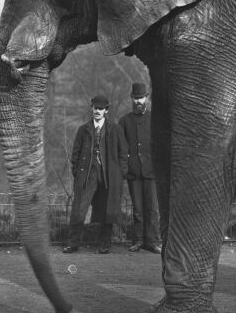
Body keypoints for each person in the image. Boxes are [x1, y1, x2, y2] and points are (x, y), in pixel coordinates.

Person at [63, 95, 128, 255]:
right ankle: (73, 243)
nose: (97, 111)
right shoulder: (83, 130)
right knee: (79, 209)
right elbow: (75, 155)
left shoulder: (115, 129)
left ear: (106, 110)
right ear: (91, 109)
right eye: (95, 108)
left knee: (108, 210)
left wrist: (119, 174)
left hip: (109, 177)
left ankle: (105, 244)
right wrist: (78, 174)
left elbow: (123, 154)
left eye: (101, 109)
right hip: (87, 175)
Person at [119, 82, 162, 254]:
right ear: (132, 98)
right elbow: (121, 147)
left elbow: (160, 145)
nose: (138, 101)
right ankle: (138, 241)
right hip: (133, 172)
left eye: (141, 97)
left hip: (151, 171)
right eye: (136, 98)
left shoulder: (154, 119)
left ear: (147, 98)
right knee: (137, 208)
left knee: (152, 208)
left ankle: (153, 241)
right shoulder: (124, 121)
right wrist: (126, 166)